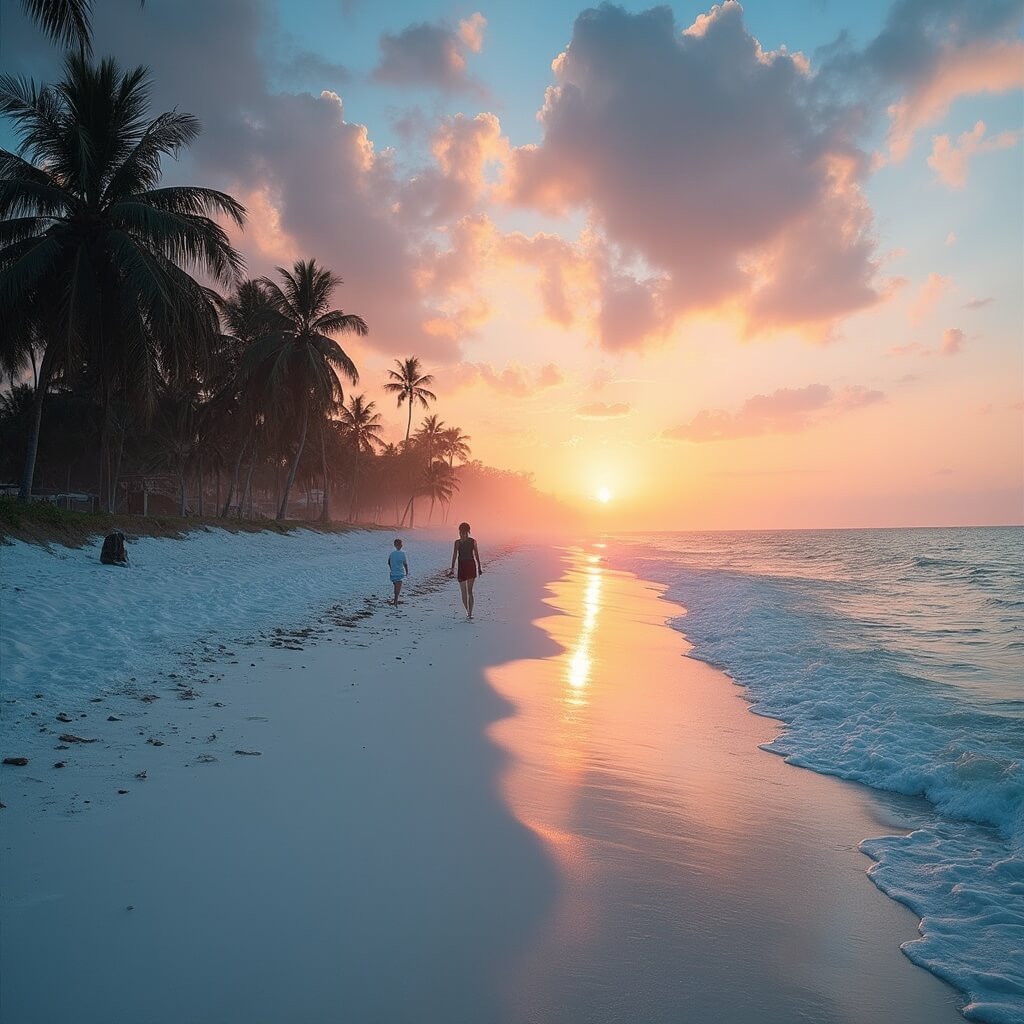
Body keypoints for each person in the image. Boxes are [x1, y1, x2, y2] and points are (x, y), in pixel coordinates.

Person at [448, 522, 483, 620]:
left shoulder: (458, 542)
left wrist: (452, 568)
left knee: (464, 592)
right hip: (470, 565)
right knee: (469, 591)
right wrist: (479, 567)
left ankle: (469, 612)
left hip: (463, 566)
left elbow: (455, 555)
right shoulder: (473, 541)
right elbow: (476, 555)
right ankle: (469, 613)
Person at [387, 538, 409, 605]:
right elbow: (405, 564)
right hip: (399, 573)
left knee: (396, 585)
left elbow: (388, 562)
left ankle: (395, 599)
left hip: (393, 573)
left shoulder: (392, 553)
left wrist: (392, 568)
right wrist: (407, 571)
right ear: (401, 545)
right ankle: (395, 600)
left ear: (394, 545)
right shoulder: (402, 554)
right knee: (398, 587)